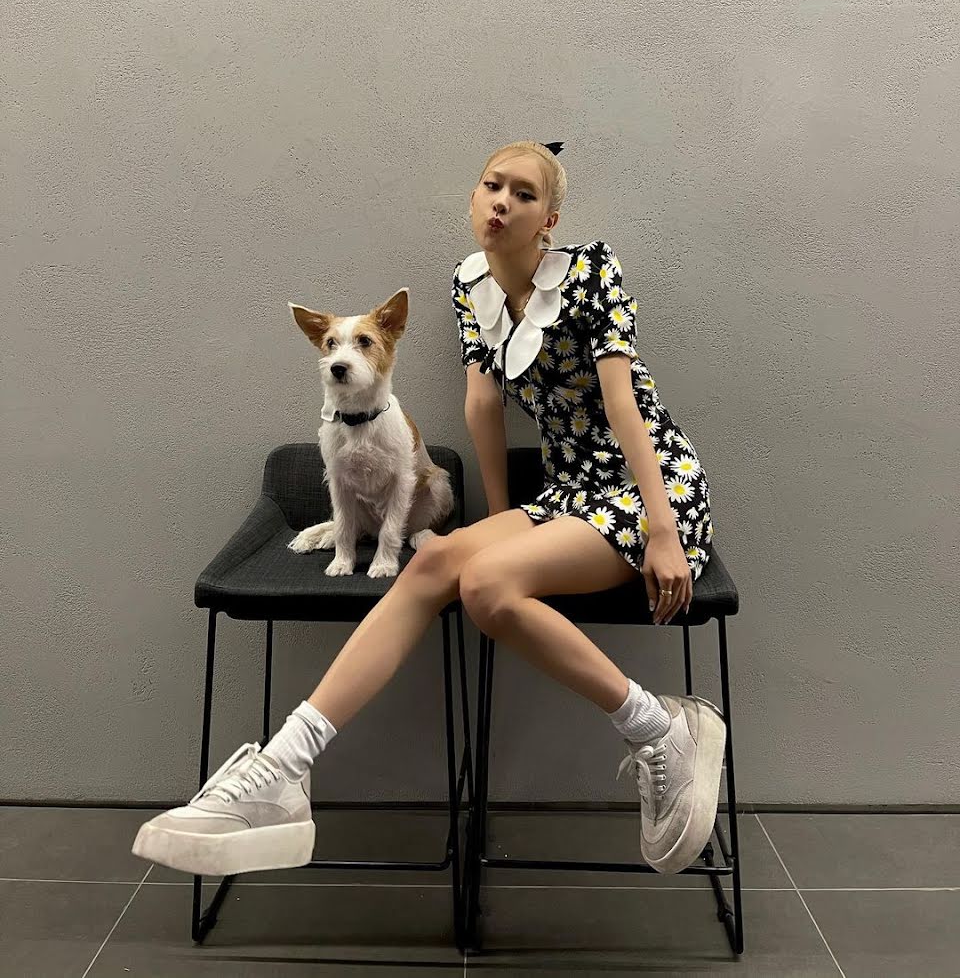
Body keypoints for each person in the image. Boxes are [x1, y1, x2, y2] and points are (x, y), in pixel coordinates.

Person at [132, 139, 725, 879]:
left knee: (486, 586)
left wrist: (663, 528)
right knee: (440, 556)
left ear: (549, 219)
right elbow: (483, 406)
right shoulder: (470, 284)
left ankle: (662, 731)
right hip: (567, 493)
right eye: (492, 185)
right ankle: (282, 770)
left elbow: (623, 403)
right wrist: (501, 525)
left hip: (651, 487)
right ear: (474, 199)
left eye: (524, 193)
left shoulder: (590, 271)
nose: (502, 201)